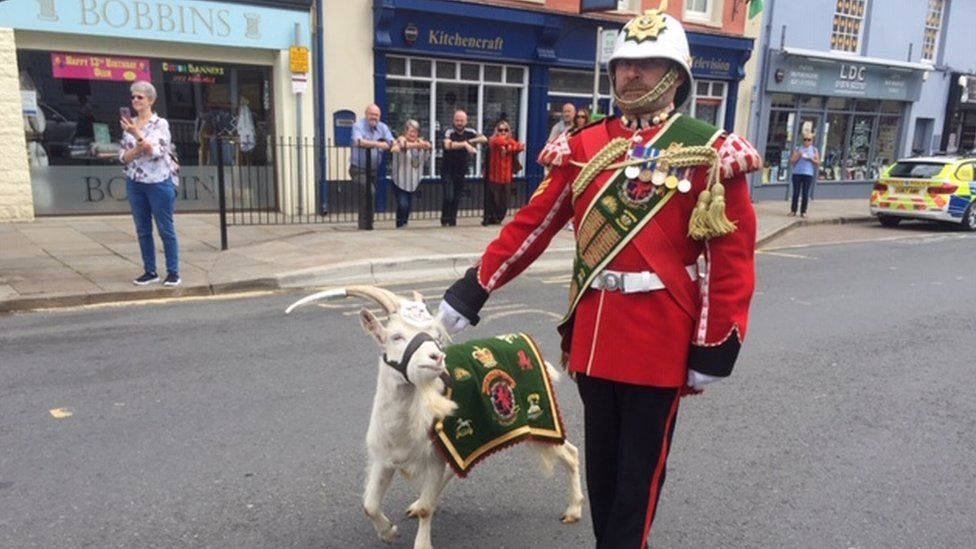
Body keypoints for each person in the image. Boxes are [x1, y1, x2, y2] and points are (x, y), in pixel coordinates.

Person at [437, 5, 762, 547]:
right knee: (603, 473)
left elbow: (732, 258)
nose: (630, 74)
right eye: (623, 64)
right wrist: (476, 285)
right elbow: (530, 225)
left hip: (660, 338)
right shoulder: (585, 145)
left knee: (639, 477)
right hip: (593, 339)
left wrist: (716, 342)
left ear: (676, 76)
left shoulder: (709, 150)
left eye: (647, 64)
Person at [118, 81, 181, 287]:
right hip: (135, 182)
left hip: (158, 183)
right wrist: (137, 147)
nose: (135, 100)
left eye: (140, 97)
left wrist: (137, 135)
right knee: (142, 229)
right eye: (133, 97)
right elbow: (123, 157)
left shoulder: (160, 124)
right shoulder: (129, 125)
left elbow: (156, 152)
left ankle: (173, 272)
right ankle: (150, 271)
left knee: (165, 228)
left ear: (151, 101)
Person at [440, 109, 486, 226]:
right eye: (457, 120)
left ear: (466, 121)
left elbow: (484, 139)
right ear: (453, 121)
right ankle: (445, 218)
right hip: (447, 169)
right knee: (448, 196)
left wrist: (469, 141)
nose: (459, 123)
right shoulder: (448, 131)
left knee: (456, 197)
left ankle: (452, 220)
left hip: (461, 169)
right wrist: (465, 145)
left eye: (462, 120)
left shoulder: (470, 131)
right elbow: (447, 145)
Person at [350, 104, 394, 225]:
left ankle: (366, 221)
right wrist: (379, 144)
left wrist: (388, 144)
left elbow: (391, 142)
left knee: (366, 195)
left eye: (377, 115)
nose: (374, 117)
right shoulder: (357, 126)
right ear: (366, 114)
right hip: (358, 169)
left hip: (373, 169)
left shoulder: (383, 127)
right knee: (370, 191)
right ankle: (366, 222)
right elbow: (358, 141)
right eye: (372, 114)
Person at [389, 119, 431, 228]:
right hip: (400, 180)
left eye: (415, 132)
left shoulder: (420, 145)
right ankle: (400, 224)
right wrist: (419, 145)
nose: (413, 134)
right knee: (403, 204)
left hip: (413, 181)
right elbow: (401, 147)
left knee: (408, 206)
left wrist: (427, 148)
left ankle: (404, 223)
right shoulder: (400, 142)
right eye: (410, 131)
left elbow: (425, 159)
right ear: (405, 132)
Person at [483, 120, 525, 225]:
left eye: (505, 130)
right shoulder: (494, 140)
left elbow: (520, 146)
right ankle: (492, 217)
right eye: (500, 130)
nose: (503, 132)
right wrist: (511, 147)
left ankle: (499, 218)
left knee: (504, 201)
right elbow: (501, 142)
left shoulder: (510, 140)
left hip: (506, 176)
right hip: (495, 175)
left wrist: (509, 149)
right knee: (495, 200)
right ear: (496, 131)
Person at [789, 133, 820, 217]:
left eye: (809, 140)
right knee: (795, 193)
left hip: (808, 174)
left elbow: (818, 162)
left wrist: (811, 159)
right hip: (797, 173)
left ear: (812, 141)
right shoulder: (798, 148)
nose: (806, 141)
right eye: (805, 139)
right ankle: (793, 210)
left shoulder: (814, 150)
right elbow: (792, 161)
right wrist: (798, 156)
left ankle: (803, 211)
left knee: (805, 193)